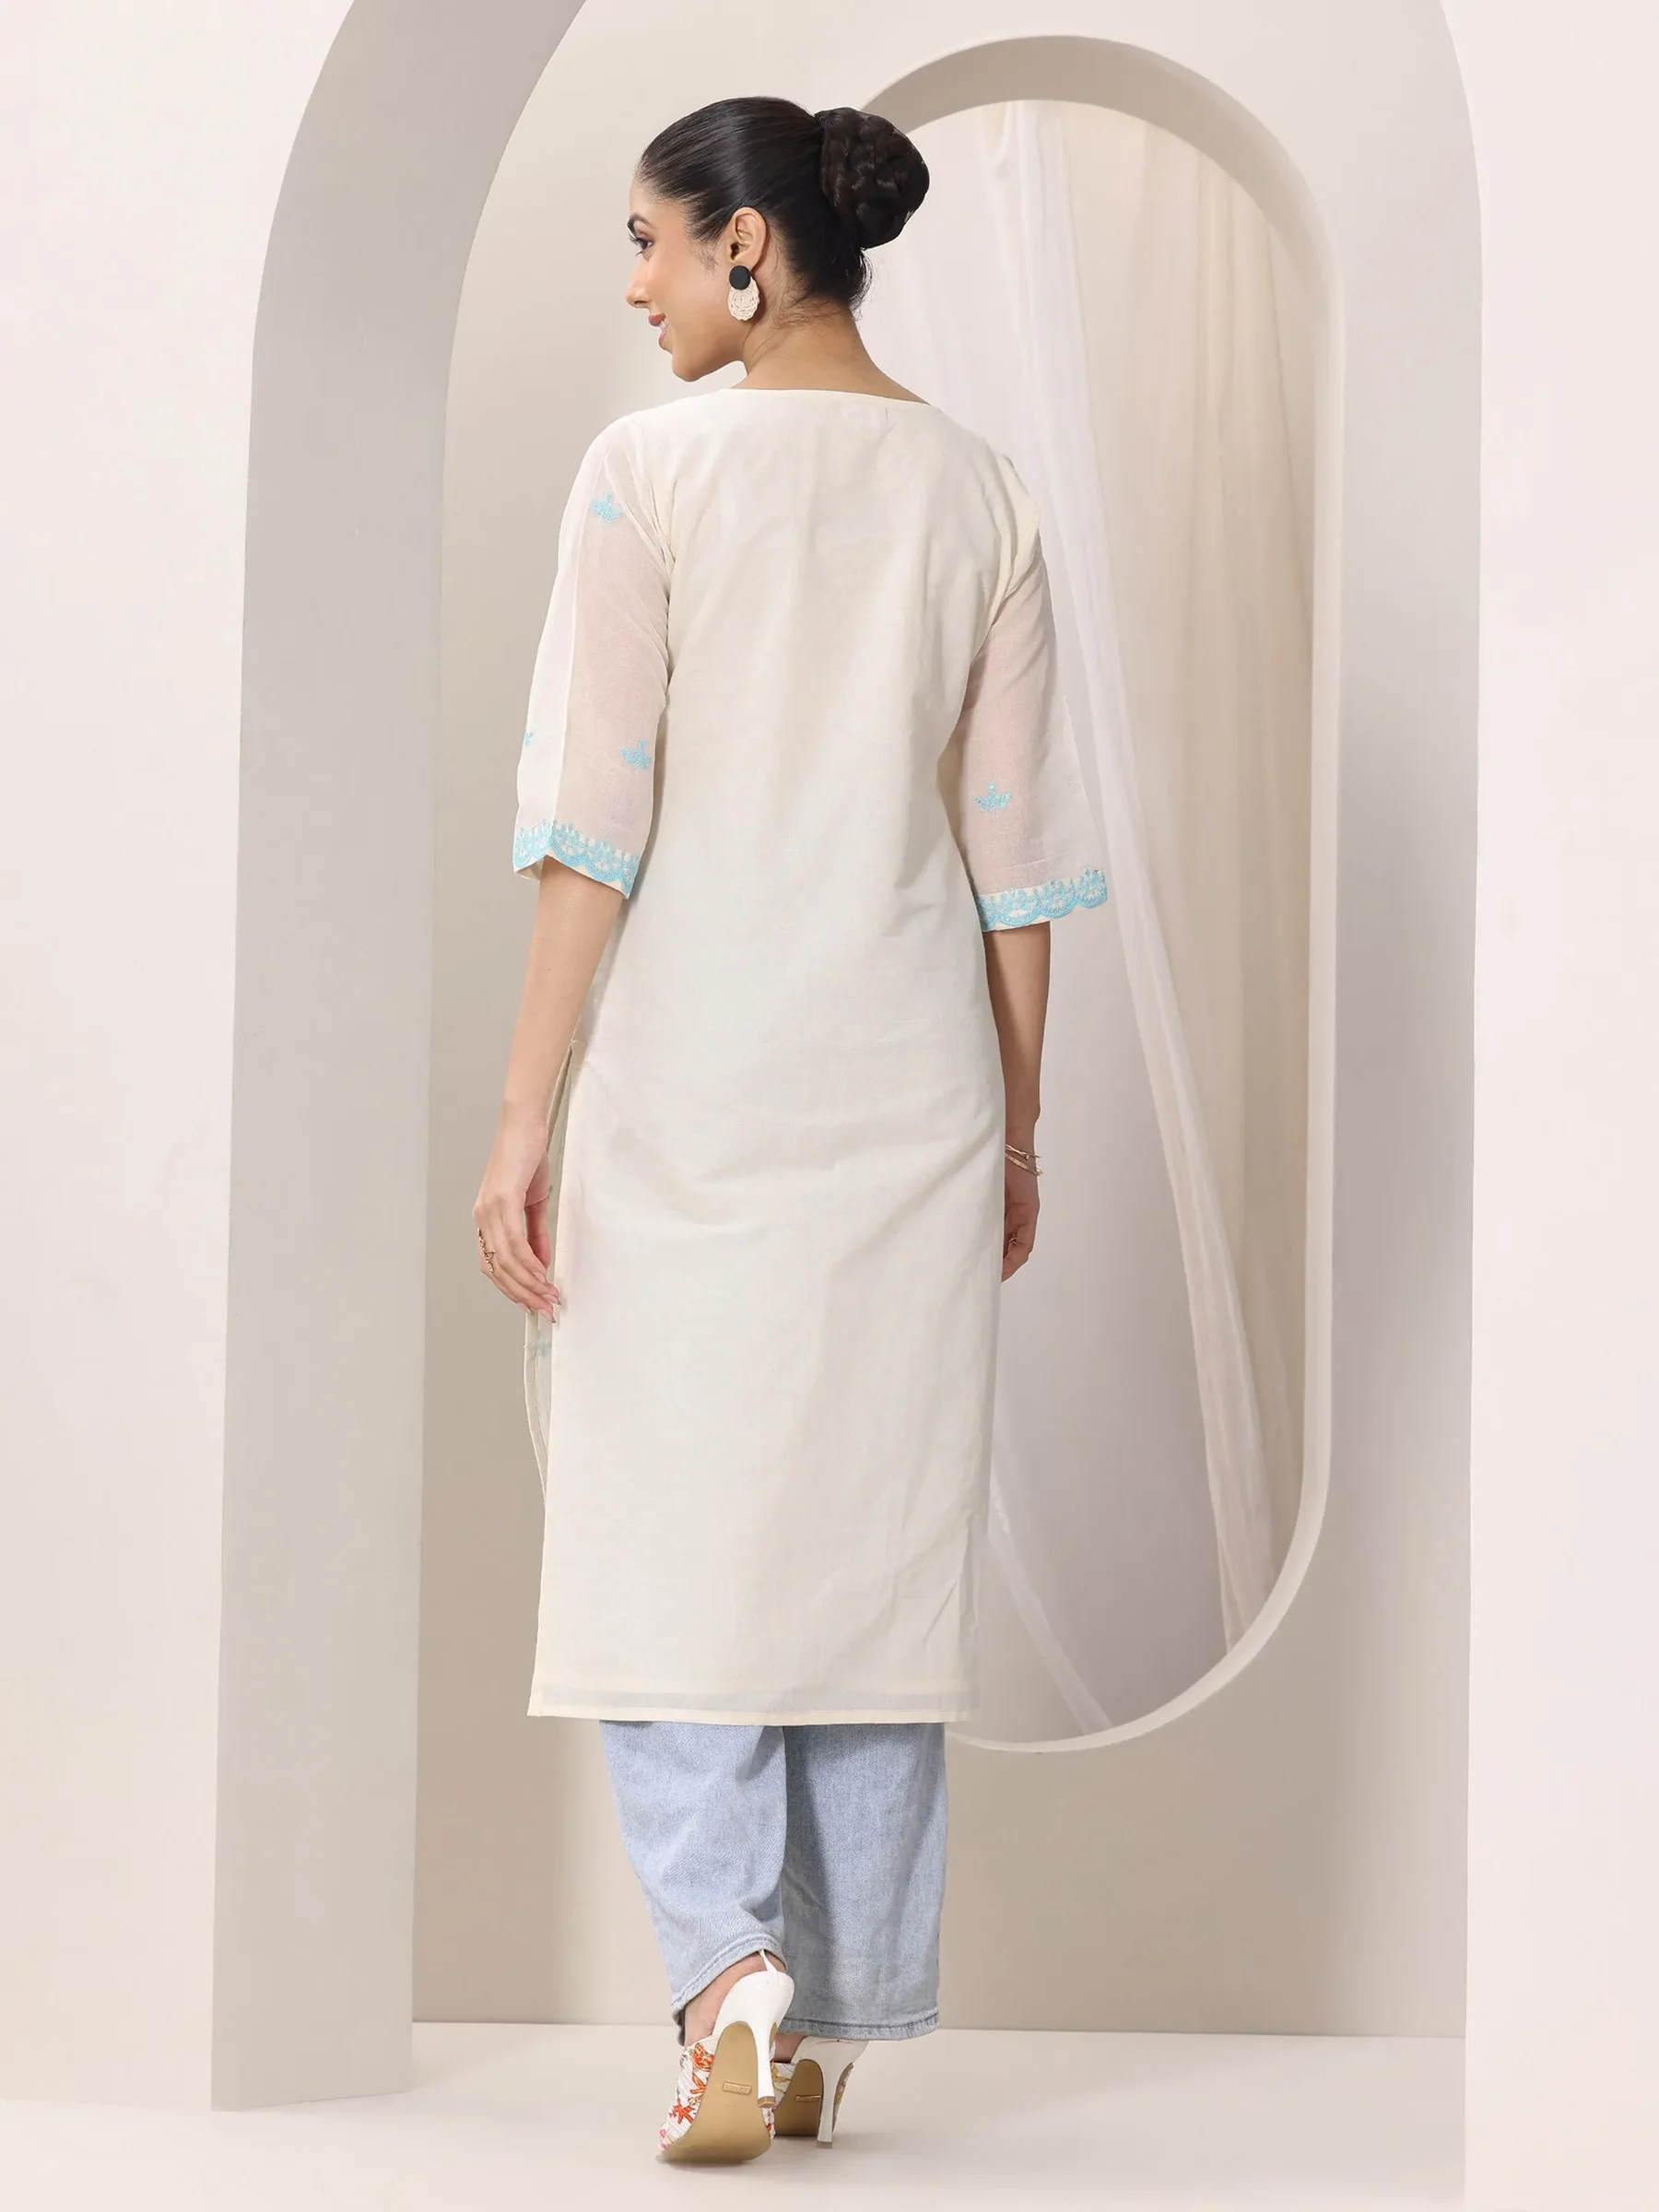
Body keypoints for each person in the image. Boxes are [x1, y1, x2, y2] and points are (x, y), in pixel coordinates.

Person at [472, 95, 1108, 2165]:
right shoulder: (986, 493)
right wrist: (1018, 1129)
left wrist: (522, 1112)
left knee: (660, 1530)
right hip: (913, 1084)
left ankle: (726, 1976)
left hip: (696, 1078)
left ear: (748, 247)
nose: (634, 286)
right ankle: (829, 2022)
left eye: (650, 243)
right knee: (867, 1544)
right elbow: (1016, 864)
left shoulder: (649, 472)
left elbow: (594, 826)